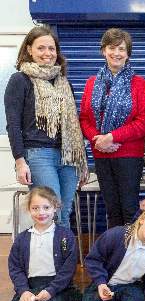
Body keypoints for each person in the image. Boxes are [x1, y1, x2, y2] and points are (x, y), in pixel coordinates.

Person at [5, 26, 88, 229]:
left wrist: (81, 159)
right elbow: (13, 124)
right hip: (38, 155)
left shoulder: (63, 82)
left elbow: (72, 124)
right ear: (29, 50)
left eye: (51, 48)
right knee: (51, 212)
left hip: (67, 157)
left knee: (64, 211)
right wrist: (20, 161)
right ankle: (51, 260)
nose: (47, 53)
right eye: (41, 48)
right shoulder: (20, 80)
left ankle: (62, 260)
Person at [80, 28, 145, 228]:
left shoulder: (139, 84)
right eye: (112, 48)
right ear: (103, 50)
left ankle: (132, 256)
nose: (116, 53)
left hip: (128, 155)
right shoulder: (92, 83)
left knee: (129, 209)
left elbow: (141, 123)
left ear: (128, 53)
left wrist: (111, 137)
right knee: (111, 210)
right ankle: (116, 256)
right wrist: (98, 140)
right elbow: (84, 119)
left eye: (122, 49)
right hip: (101, 154)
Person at [5, 187, 81, 301]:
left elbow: (68, 270)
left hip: (58, 288)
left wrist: (51, 290)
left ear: (55, 207)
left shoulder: (65, 236)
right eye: (35, 208)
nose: (41, 213)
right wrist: (24, 291)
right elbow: (15, 268)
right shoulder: (21, 239)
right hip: (30, 287)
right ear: (29, 209)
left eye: (46, 207)